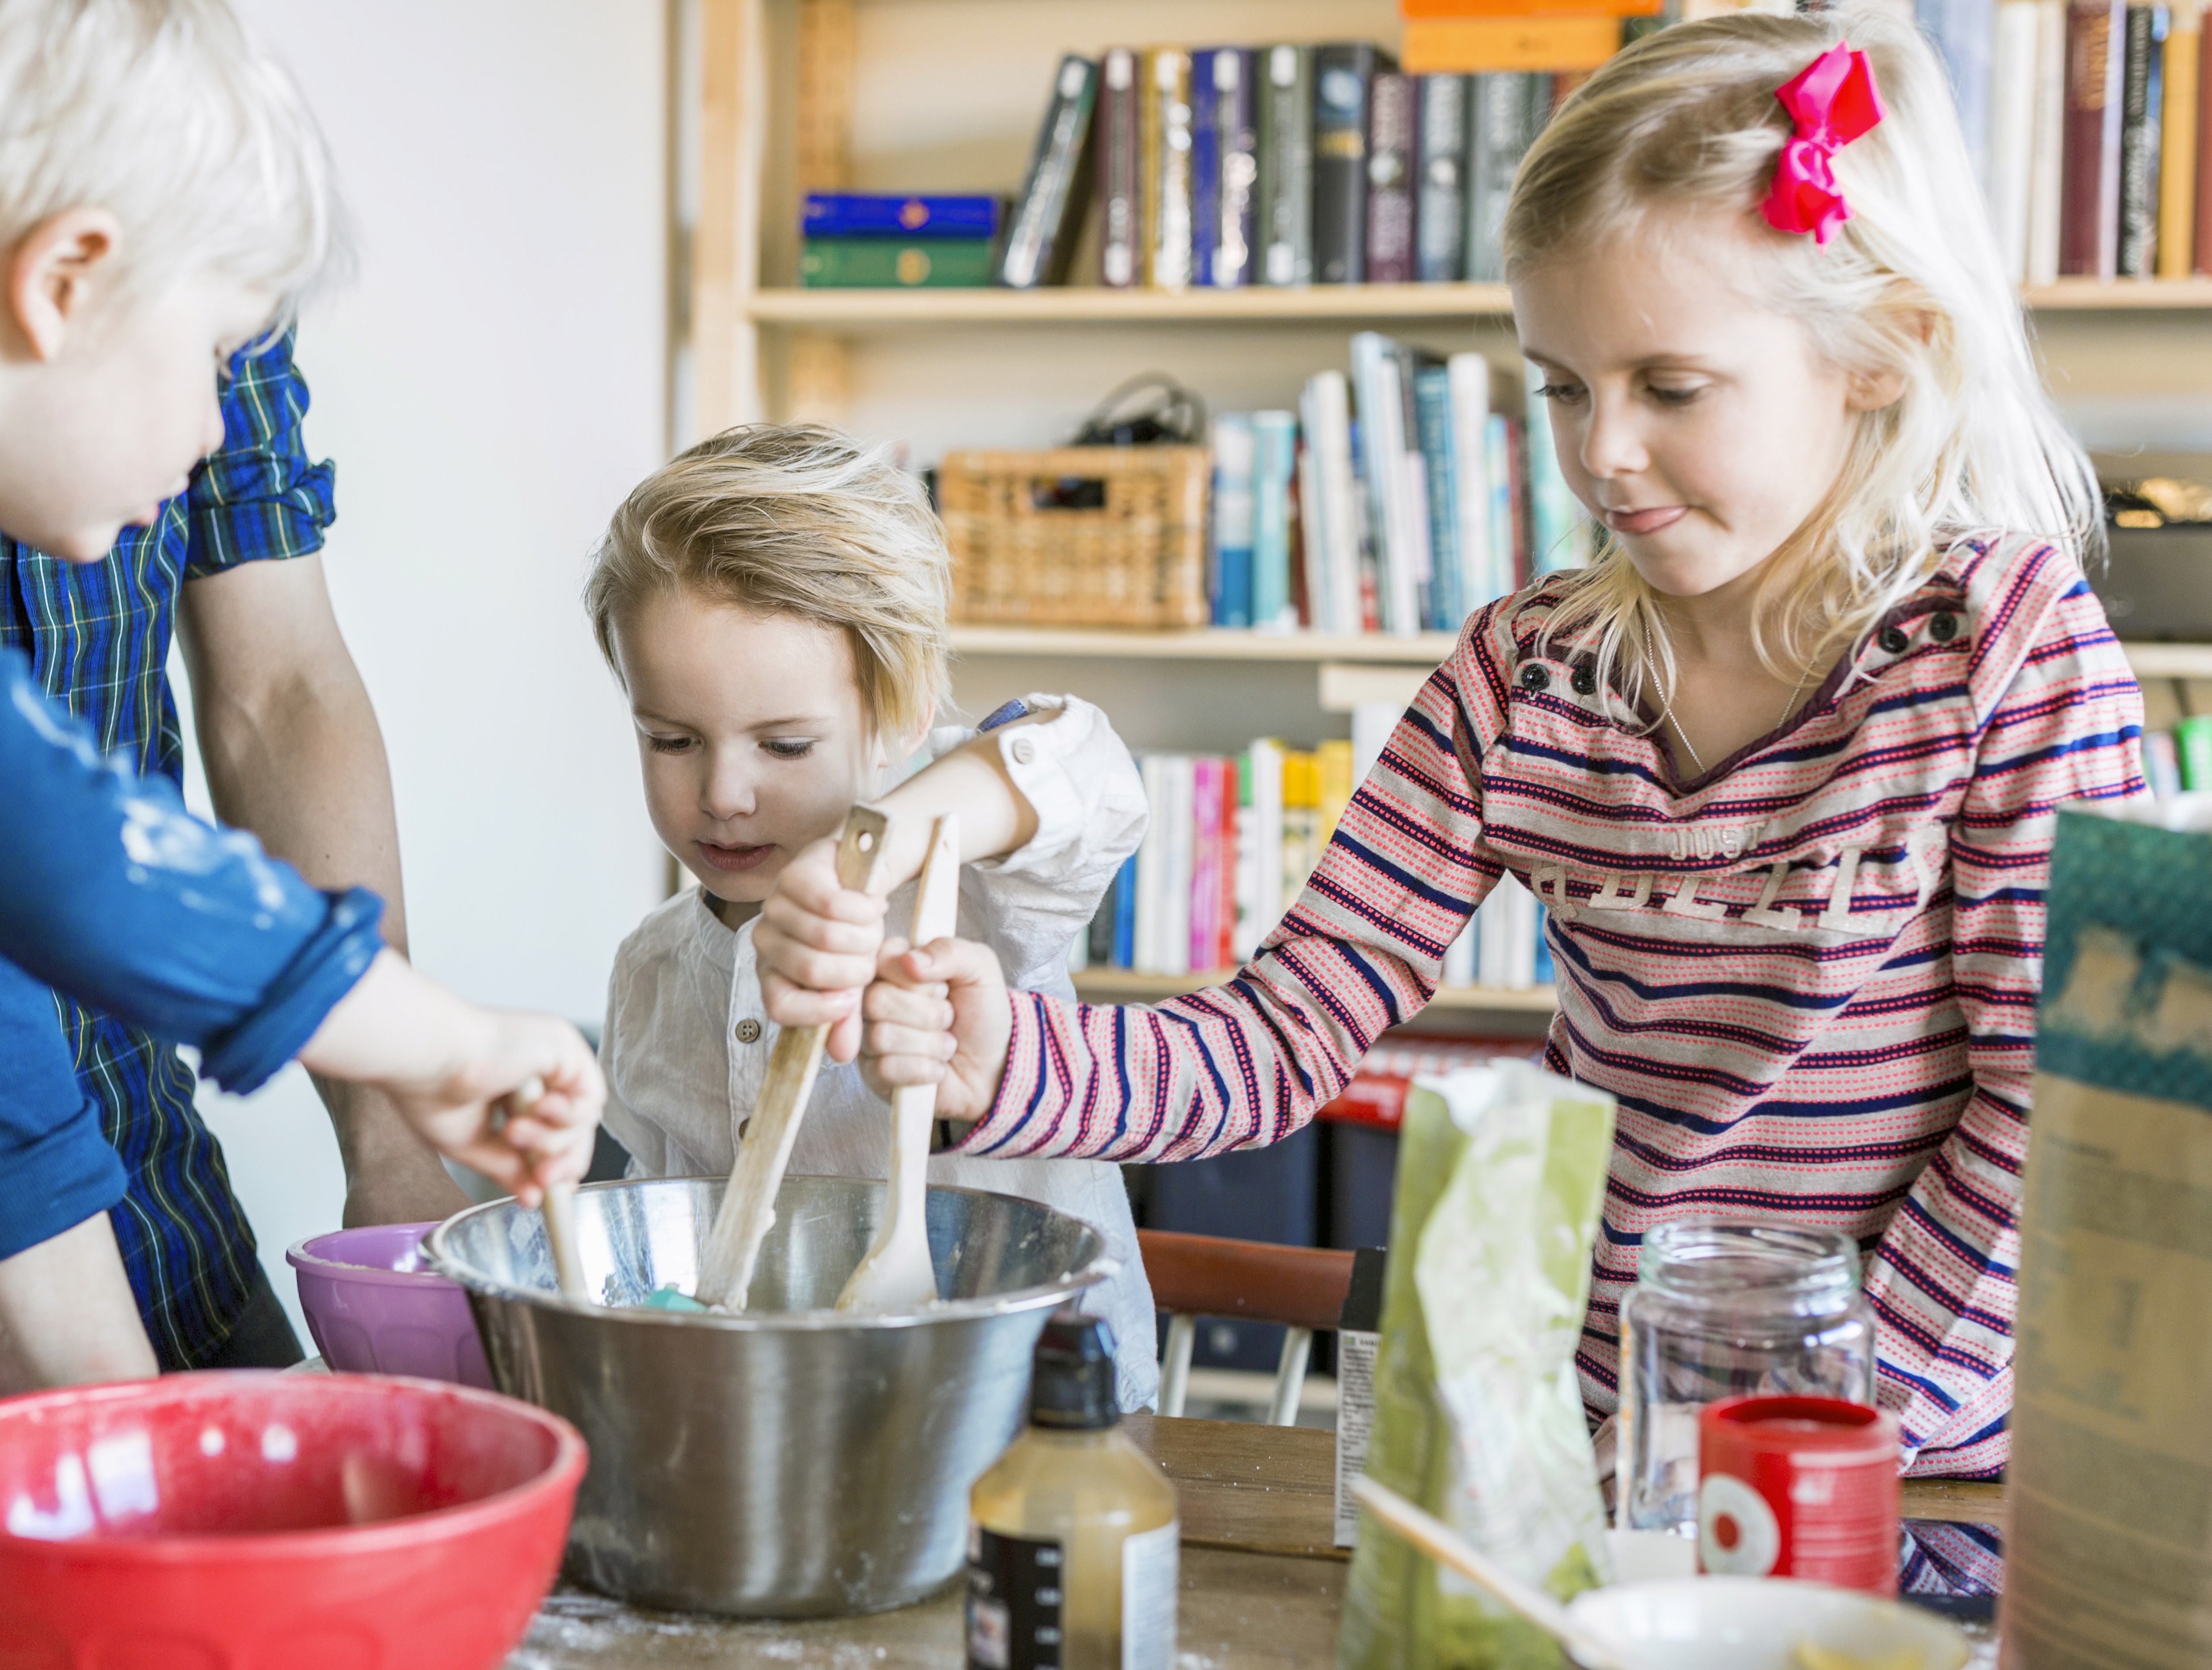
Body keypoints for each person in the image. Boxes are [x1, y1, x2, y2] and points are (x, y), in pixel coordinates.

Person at [757, 7, 2144, 1595]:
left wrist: (1809, 1437)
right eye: (1562, 387)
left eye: (1672, 386)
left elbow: (2058, 1128)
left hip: (1924, 1486)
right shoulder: (1524, 676)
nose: (1604, 454)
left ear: (1879, 350)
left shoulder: (2004, 653)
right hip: (1603, 1461)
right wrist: (1012, 1056)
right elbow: (1278, 1042)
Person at [0, 0, 598, 1567]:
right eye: (210, 357)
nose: (211, 434)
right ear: (61, 281)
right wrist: (441, 1038)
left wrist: (147, 1495)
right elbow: (81, 861)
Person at [582, 424, 1161, 1404]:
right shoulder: (650, 971)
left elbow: (1092, 772)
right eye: (672, 739)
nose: (724, 792)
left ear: (901, 713)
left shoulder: (973, 890)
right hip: (782, 1436)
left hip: (1041, 1423)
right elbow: (667, 1234)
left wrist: (874, 850)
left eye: (787, 745)